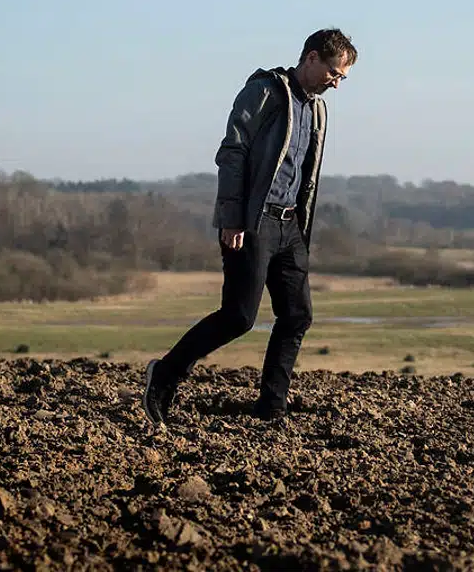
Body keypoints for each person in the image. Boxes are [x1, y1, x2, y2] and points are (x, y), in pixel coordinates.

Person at [144, 28, 356, 422]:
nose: (336, 83)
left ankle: (271, 408)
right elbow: (233, 153)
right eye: (333, 72)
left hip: (290, 226)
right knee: (239, 316)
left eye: (342, 77)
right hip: (253, 223)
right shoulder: (264, 92)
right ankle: (165, 374)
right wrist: (231, 218)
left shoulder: (317, 109)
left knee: (297, 315)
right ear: (311, 58)